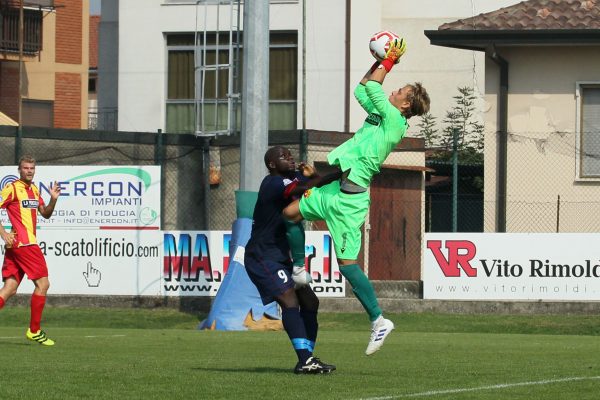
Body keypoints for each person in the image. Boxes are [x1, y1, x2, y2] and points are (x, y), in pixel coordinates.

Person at [283, 37, 430, 355]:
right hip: (336, 191)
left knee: (348, 267)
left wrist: (388, 61)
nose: (393, 92)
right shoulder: (381, 118)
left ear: (405, 105)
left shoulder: (394, 120)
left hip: (350, 203)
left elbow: (376, 89)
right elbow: (364, 88)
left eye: (399, 92)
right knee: (290, 213)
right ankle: (298, 268)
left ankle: (379, 320)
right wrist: (378, 62)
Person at [244, 146, 340, 374]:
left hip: (279, 256)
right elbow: (307, 187)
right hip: (262, 256)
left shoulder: (293, 178)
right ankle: (305, 360)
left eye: (290, 155)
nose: (290, 158)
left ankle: (308, 358)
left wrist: (316, 174)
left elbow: (315, 184)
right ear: (272, 165)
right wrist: (341, 172)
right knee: (289, 300)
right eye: (283, 156)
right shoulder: (272, 183)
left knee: (310, 303)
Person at [0, 155, 61, 346]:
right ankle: (34, 330)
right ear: (19, 170)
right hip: (25, 244)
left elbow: (46, 213)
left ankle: (34, 330)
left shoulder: (34, 190)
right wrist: (3, 234)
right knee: (43, 284)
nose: (29, 171)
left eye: (32, 168)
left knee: (9, 289)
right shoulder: (12, 188)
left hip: (18, 247)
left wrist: (53, 200)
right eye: (25, 168)